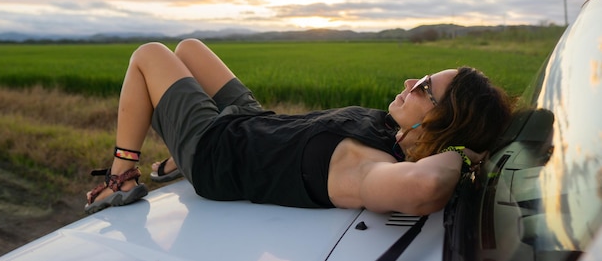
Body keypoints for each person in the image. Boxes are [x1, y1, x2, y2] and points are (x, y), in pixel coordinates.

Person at [85, 39, 512, 215]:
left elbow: (422, 188)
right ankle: (173, 151)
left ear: (440, 122)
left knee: (149, 54)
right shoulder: (389, 130)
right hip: (254, 122)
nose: (408, 83)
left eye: (422, 88)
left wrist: (458, 153)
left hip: (217, 152)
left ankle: (122, 176)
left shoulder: (365, 164)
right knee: (189, 48)